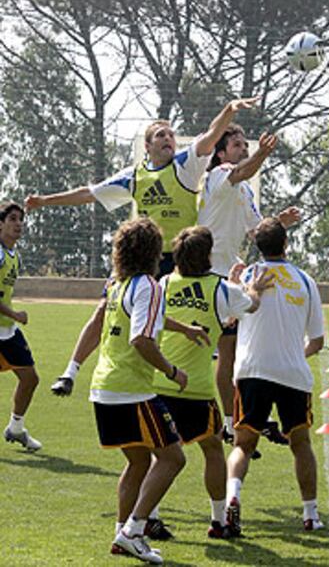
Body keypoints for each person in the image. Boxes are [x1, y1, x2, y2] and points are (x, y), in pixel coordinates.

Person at [25, 97, 260, 395]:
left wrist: (229, 109)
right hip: (142, 257)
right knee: (104, 308)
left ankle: (183, 386)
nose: (169, 139)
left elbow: (213, 134)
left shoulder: (186, 165)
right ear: (147, 146)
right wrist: (45, 201)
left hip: (180, 259)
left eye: (171, 135)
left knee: (186, 318)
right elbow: (89, 193)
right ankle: (70, 373)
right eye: (161, 134)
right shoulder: (134, 176)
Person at [90, 217, 206, 563]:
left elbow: (143, 319)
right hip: (131, 389)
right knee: (173, 458)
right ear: (156, 250)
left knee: (139, 461)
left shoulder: (117, 285)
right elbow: (141, 338)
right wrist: (172, 371)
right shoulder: (151, 286)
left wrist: (182, 328)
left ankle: (120, 533)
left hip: (103, 387)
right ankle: (134, 530)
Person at [152, 226, 274, 539]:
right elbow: (250, 305)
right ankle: (219, 521)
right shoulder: (219, 288)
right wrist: (254, 287)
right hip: (195, 390)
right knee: (213, 449)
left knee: (159, 455)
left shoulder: (164, 283)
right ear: (207, 256)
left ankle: (149, 517)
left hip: (159, 381)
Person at [198, 123, 300, 444]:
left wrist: (279, 222)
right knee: (225, 352)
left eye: (246, 144)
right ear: (221, 153)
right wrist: (261, 154)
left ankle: (245, 419)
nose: (243, 148)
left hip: (234, 277)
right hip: (212, 276)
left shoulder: (244, 189)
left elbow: (256, 231)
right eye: (237, 145)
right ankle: (231, 422)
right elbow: (242, 171)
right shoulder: (218, 176)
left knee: (240, 350)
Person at [224, 217, 325, 538]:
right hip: (292, 373)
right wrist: (295, 354)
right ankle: (310, 514)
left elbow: (228, 318)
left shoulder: (249, 276)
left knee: (243, 444)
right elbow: (318, 341)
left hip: (251, 371)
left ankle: (233, 497)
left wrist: (232, 281)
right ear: (287, 244)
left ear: (258, 246)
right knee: (301, 443)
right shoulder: (306, 281)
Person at [0, 202, 42, 451]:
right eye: (12, 219)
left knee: (30, 378)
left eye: (21, 220)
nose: (18, 224)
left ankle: (16, 429)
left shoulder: (14, 255)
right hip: (6, 325)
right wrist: (15, 314)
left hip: (7, 331)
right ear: (1, 223)